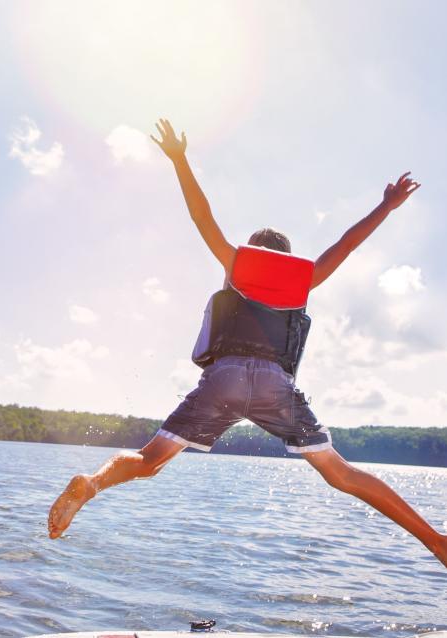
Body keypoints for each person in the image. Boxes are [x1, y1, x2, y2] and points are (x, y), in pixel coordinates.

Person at [47, 118, 447, 569]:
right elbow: (347, 244)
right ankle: (435, 540)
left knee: (149, 460)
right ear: (288, 259)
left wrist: (179, 160)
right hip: (275, 385)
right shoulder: (306, 279)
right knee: (341, 472)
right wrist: (386, 206)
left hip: (225, 377)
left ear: (252, 255)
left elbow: (202, 216)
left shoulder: (236, 265)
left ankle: (92, 484)